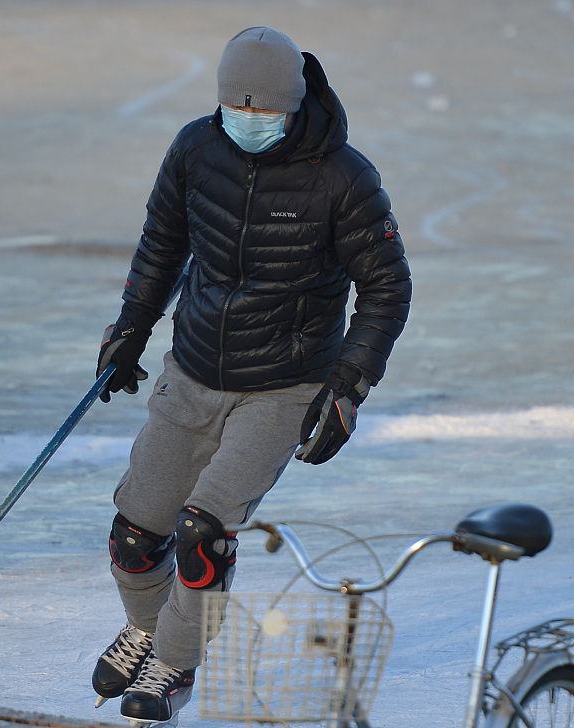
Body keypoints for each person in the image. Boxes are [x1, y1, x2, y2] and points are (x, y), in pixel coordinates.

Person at [91, 26, 411, 724]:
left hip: (285, 382)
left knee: (202, 534)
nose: (249, 121)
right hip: (195, 365)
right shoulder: (194, 149)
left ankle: (174, 663)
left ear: (293, 107)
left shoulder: (343, 178)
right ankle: (147, 631)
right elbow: (161, 245)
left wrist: (348, 386)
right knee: (134, 535)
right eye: (237, 108)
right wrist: (129, 330)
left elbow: (388, 288)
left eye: (263, 111)